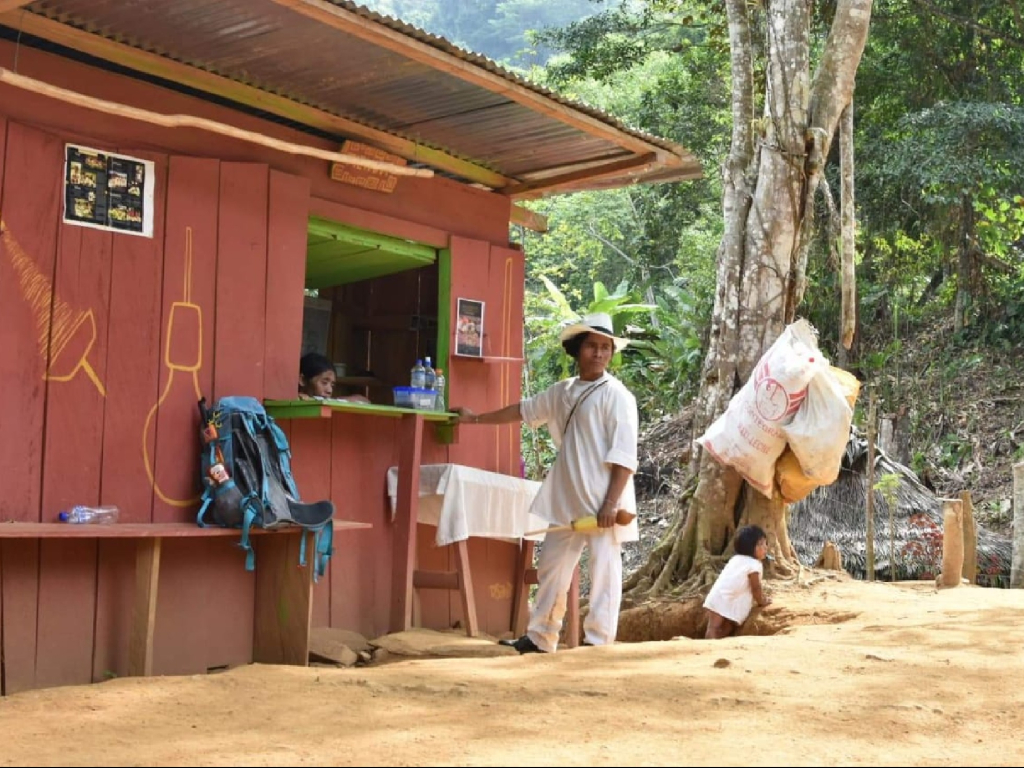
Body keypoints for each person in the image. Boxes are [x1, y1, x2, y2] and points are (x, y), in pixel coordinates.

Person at [453, 312, 639, 653]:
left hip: (604, 502)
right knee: (552, 569)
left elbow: (625, 456)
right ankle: (540, 638)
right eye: (592, 346)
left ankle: (599, 644)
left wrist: (611, 503)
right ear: (576, 350)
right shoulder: (560, 392)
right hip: (567, 498)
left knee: (604, 573)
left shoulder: (618, 396)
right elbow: (521, 411)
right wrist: (474, 419)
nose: (598, 354)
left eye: (605, 347)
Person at [703, 525, 772, 639]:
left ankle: (714, 645)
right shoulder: (754, 565)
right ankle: (709, 648)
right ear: (748, 547)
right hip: (723, 598)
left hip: (718, 597)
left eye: (765, 543)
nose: (765, 547)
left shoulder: (735, 559)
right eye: (760, 544)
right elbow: (756, 588)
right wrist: (762, 601)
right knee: (719, 627)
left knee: (716, 627)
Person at [298, 352, 368, 403]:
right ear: (303, 380)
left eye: (332, 385)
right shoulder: (295, 399)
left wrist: (337, 401)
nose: (330, 390)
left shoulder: (328, 401)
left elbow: (365, 401)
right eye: (324, 383)